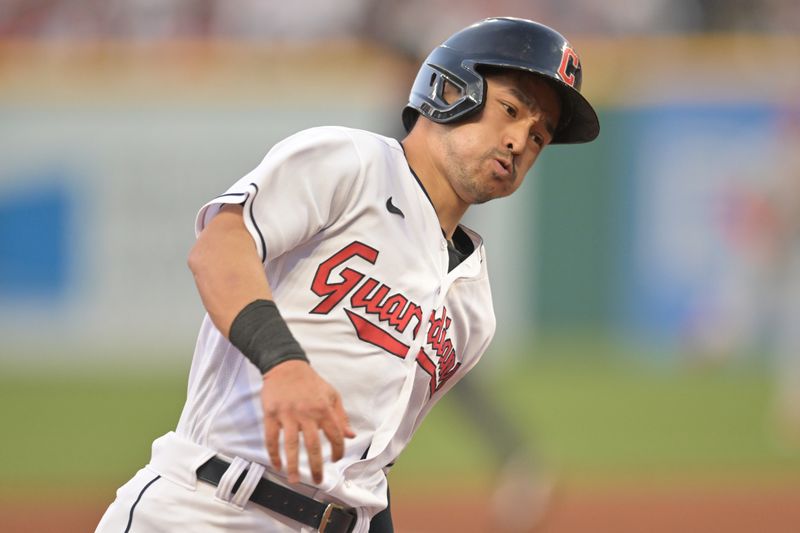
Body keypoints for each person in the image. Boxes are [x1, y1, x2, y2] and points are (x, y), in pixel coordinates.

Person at [95, 17, 599, 533]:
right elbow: (218, 248)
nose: (519, 141)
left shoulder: (473, 307)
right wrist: (284, 363)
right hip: (207, 507)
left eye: (538, 136)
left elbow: (367, 474)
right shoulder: (350, 163)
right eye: (510, 110)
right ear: (453, 90)